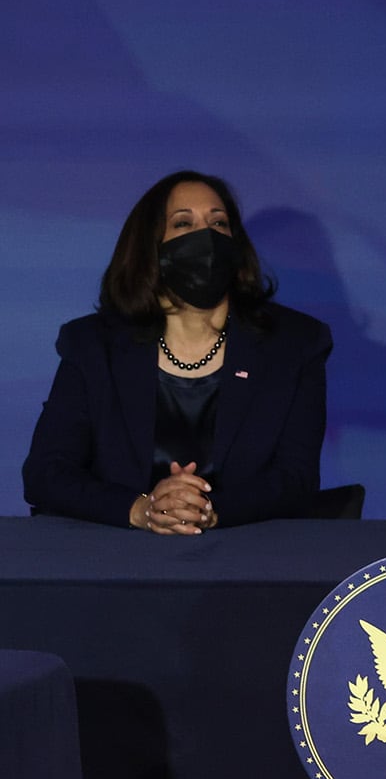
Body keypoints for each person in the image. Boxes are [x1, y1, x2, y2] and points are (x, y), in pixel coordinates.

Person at [22, 171, 330, 531]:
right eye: (183, 223)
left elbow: (296, 479)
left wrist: (209, 510)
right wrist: (142, 509)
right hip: (116, 560)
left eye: (219, 222)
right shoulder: (93, 345)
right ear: (149, 248)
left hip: (247, 556)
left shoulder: (294, 344)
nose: (207, 237)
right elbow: (47, 473)